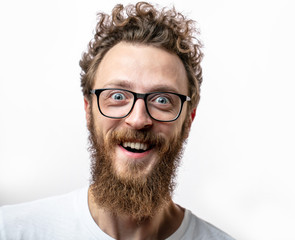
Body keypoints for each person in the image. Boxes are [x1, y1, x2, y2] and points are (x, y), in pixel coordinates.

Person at [0, 2, 235, 239]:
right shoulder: (11, 231)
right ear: (88, 109)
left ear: (188, 121)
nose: (138, 119)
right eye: (118, 96)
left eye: (162, 100)